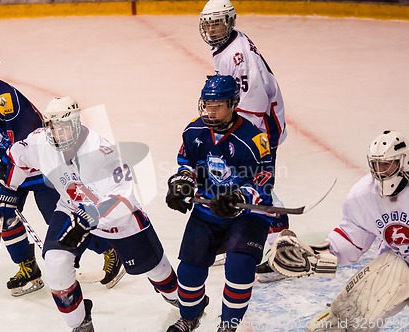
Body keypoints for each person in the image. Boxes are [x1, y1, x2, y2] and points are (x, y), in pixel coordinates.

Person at [0, 47, 123, 296]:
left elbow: (27, 145)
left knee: (62, 221)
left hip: (42, 167)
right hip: (15, 166)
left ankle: (110, 250)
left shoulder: (4, 100)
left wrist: (6, 176)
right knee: (2, 212)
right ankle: (28, 268)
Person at [0, 96, 179, 331]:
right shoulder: (41, 142)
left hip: (117, 218)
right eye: (53, 127)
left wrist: (92, 216)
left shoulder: (102, 151)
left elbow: (123, 197)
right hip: (72, 207)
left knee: (156, 271)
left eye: (64, 127)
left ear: (77, 124)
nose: (58, 133)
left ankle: (180, 301)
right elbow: (17, 157)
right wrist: (7, 188)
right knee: (56, 263)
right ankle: (80, 325)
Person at [165, 74, 278, 332]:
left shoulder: (253, 140)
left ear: (233, 104)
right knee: (189, 271)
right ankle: (190, 315)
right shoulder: (194, 131)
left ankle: (228, 324)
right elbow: (187, 165)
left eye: (217, 106)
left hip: (248, 216)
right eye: (206, 104)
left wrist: (239, 197)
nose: (210, 111)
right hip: (208, 211)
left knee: (239, 267)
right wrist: (182, 184)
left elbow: (264, 182)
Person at [267, 130, 409, 331]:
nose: (380, 171)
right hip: (398, 262)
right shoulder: (363, 195)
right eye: (376, 164)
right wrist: (316, 255)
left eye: (386, 164)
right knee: (348, 316)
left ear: (403, 162)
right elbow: (351, 240)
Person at [199, 0, 289, 279]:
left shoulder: (237, 55)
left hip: (260, 128)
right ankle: (236, 237)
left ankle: (282, 250)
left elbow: (255, 100)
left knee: (256, 183)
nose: (213, 30)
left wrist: (241, 138)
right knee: (235, 180)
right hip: (251, 122)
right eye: (208, 24)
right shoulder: (228, 46)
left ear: (230, 22)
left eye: (218, 23)